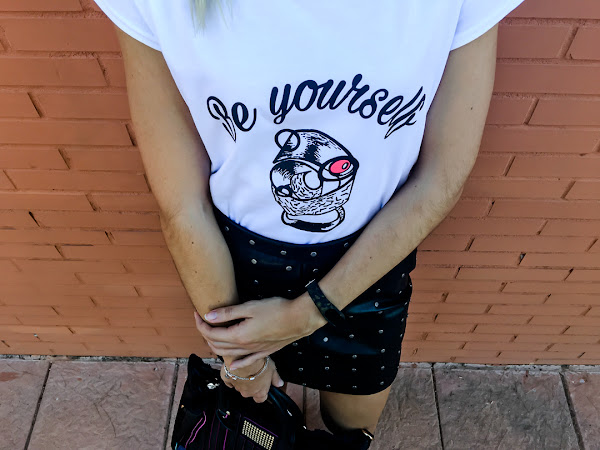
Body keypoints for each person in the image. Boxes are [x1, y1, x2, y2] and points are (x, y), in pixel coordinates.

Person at [95, 0, 525, 446]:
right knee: (253, 422)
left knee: (350, 433)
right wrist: (244, 360)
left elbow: (441, 178)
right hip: (235, 272)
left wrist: (306, 313)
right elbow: (182, 206)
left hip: (370, 270)